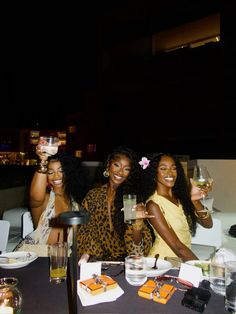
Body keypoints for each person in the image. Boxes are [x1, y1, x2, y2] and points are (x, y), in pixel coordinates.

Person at [77, 146, 153, 262]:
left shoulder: (130, 199)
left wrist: (137, 224)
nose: (120, 172)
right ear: (108, 165)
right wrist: (87, 255)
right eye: (117, 165)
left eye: (126, 169)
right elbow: (85, 231)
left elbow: (137, 252)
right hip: (96, 260)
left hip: (124, 263)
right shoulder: (93, 196)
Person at [16, 139, 88, 251]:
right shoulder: (45, 199)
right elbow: (35, 197)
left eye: (61, 171)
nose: (56, 176)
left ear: (69, 172)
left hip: (64, 259)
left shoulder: (76, 204)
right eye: (50, 172)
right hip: (36, 257)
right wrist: (43, 160)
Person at [141, 153, 213, 262]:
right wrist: (202, 268)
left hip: (178, 260)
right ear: (154, 173)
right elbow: (177, 246)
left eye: (173, 168)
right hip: (162, 262)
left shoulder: (181, 198)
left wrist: (195, 201)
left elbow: (208, 224)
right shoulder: (153, 204)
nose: (169, 173)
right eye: (163, 168)